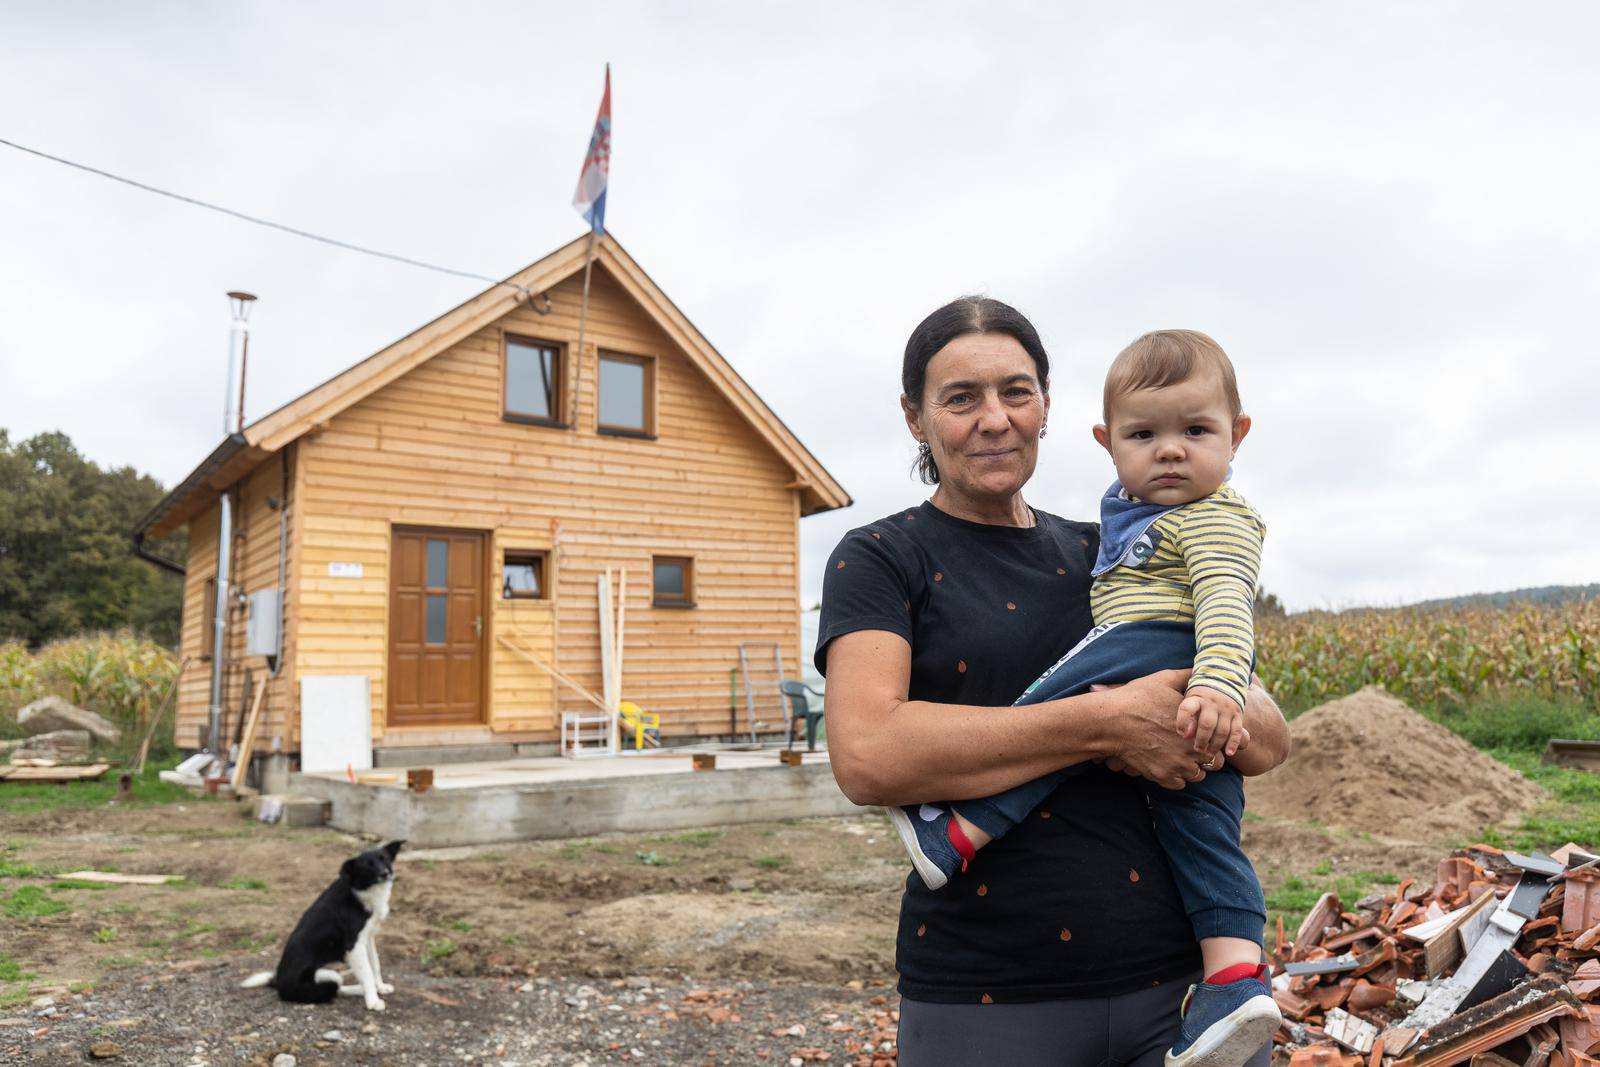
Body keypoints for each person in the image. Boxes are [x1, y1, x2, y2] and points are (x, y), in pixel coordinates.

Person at [817, 298, 1290, 1067]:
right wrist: (1107, 724)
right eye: (961, 398)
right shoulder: (880, 558)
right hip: (986, 995)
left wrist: (1210, 702)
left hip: (1173, 989)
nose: (994, 418)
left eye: (1016, 391)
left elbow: (1267, 737)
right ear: (915, 418)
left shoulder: (1113, 555)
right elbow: (868, 754)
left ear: (1046, 407)